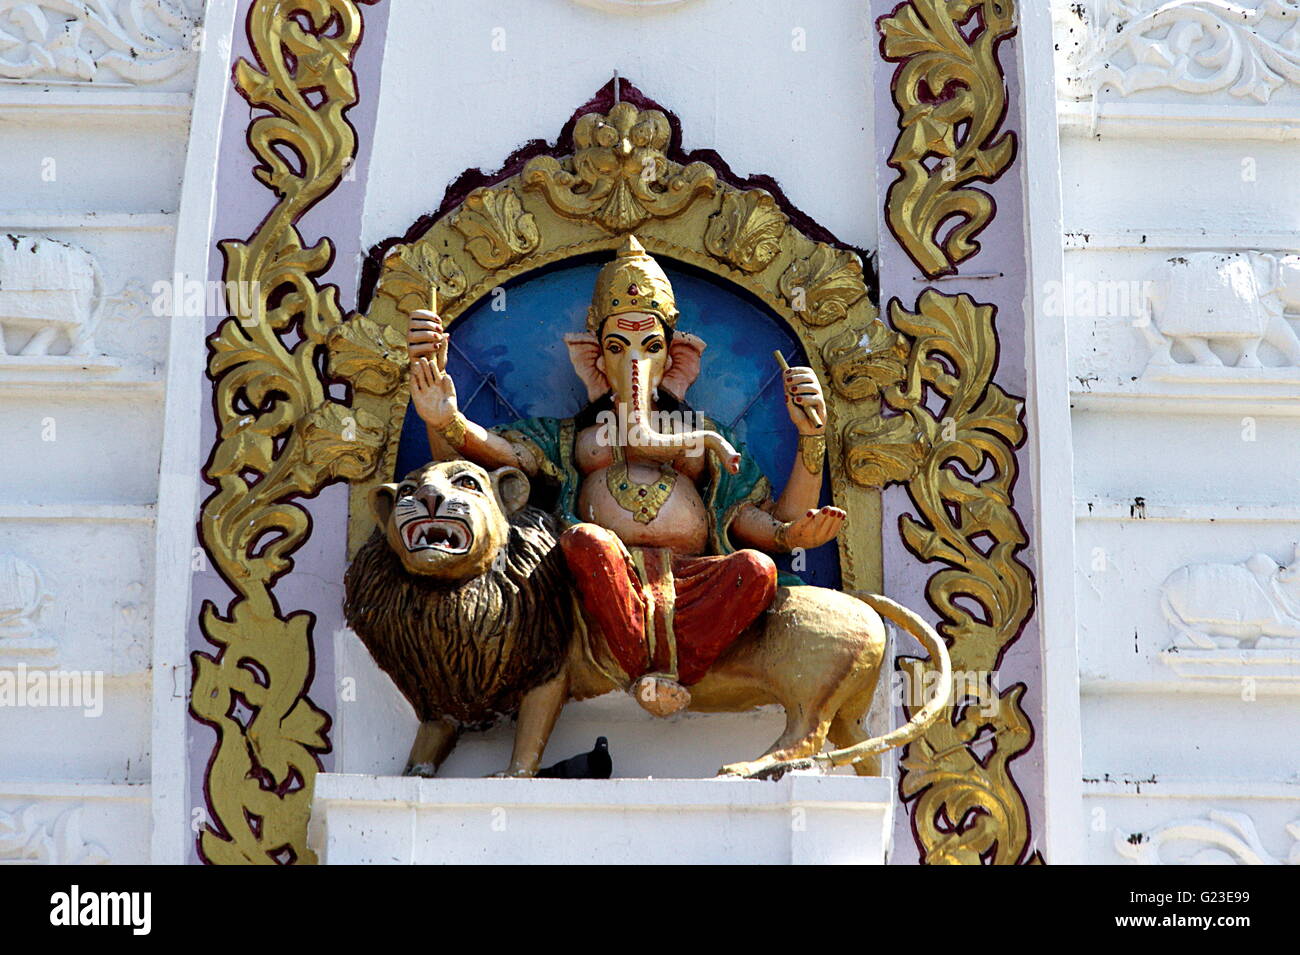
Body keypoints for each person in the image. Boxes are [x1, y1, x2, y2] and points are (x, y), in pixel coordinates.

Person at [406, 236, 845, 716]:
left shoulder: (703, 433)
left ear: (676, 360)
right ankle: (646, 669)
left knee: (757, 570)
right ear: (594, 360)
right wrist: (448, 420)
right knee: (585, 543)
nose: (635, 361)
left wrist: (808, 451)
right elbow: (502, 457)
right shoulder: (569, 435)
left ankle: (675, 672)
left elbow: (750, 518)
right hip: (607, 578)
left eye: (650, 346)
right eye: (618, 346)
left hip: (691, 579)